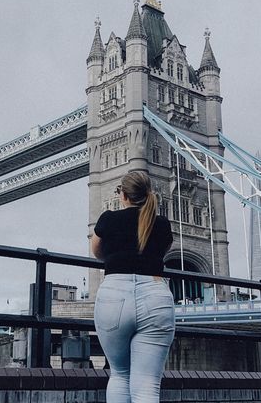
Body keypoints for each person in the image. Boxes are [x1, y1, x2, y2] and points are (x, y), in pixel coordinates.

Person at [91, 170, 175, 403]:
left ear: (123, 195)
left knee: (119, 375)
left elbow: (97, 252)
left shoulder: (108, 219)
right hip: (155, 297)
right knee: (147, 387)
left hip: (114, 296)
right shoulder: (162, 224)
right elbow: (162, 253)